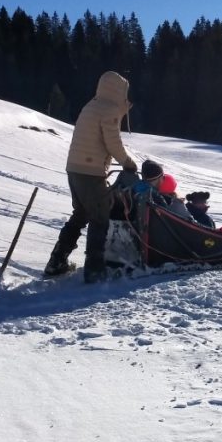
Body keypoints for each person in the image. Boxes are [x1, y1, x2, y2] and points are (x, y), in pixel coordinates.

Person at [45, 71, 137, 283]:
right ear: (119, 90)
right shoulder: (110, 109)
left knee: (80, 215)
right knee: (100, 217)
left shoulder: (91, 105)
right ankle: (95, 269)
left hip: (74, 169)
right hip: (91, 172)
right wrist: (128, 163)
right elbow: (112, 142)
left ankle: (56, 261)